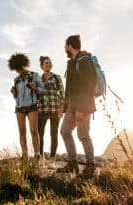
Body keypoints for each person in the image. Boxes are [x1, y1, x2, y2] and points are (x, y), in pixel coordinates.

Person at [57, 35, 97, 178]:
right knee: (65, 131)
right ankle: (73, 163)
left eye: (65, 46)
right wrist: (64, 105)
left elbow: (88, 86)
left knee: (83, 135)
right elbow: (69, 88)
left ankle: (91, 166)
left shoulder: (84, 61)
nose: (65, 48)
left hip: (83, 106)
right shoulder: (72, 63)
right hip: (71, 106)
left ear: (69, 46)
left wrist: (81, 109)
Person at [8, 53, 46, 160]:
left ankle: (37, 155)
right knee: (22, 132)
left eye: (21, 68)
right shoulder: (16, 80)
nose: (20, 71)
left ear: (25, 65)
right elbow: (17, 97)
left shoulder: (34, 75)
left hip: (32, 106)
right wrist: (13, 93)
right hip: (19, 107)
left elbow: (44, 91)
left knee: (34, 131)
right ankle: (24, 155)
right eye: (17, 70)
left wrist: (35, 88)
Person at [38, 56, 65, 168]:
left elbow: (62, 93)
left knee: (54, 135)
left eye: (49, 63)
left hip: (55, 109)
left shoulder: (57, 77)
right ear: (42, 66)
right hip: (42, 109)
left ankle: (52, 160)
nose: (48, 64)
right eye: (46, 63)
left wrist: (62, 108)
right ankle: (40, 158)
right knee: (40, 135)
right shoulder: (39, 79)